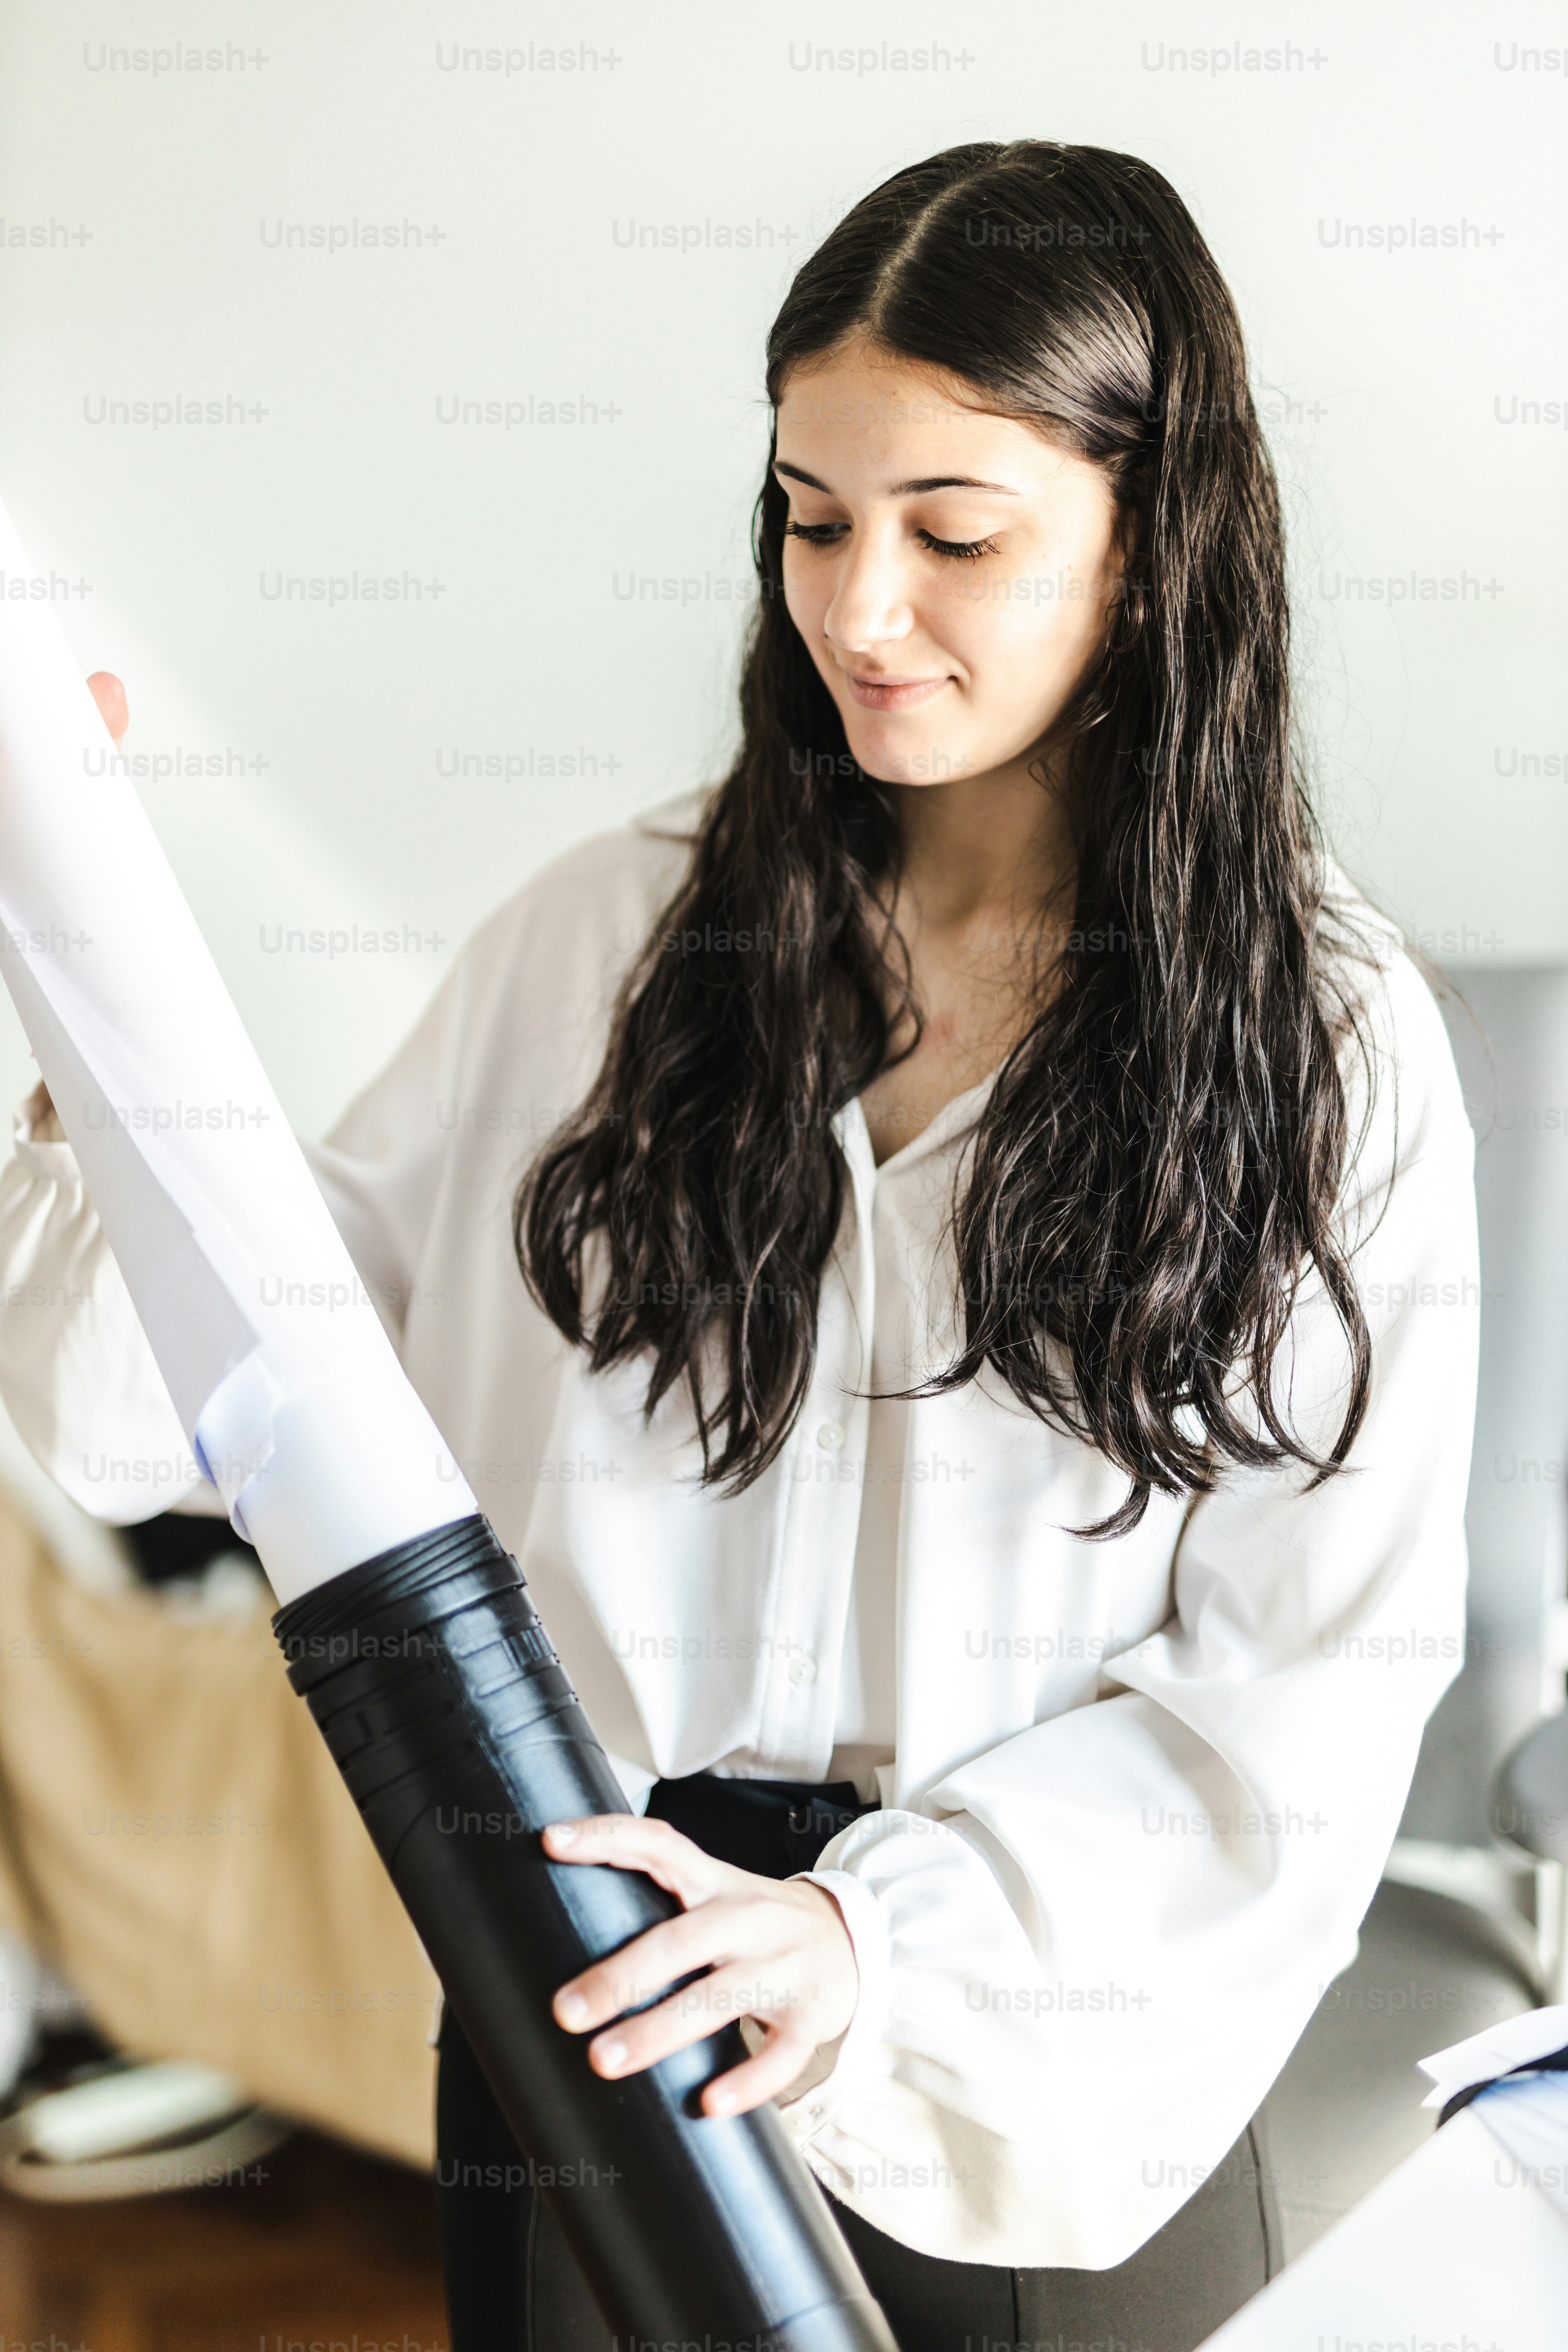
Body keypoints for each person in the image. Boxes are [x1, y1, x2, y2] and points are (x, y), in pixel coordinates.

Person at [0, 140, 1479, 2352]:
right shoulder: (606, 945)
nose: (858, 608)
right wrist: (71, 964)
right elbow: (162, 1414)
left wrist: (869, 1941)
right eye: (810, 517)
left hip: (1034, 2088)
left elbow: (1312, 1684)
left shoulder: (1327, 1048)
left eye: (955, 535)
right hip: (587, 1998)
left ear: (1154, 543)